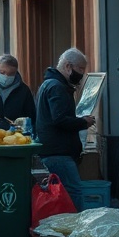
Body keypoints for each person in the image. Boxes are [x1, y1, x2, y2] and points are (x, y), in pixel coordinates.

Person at [34, 48, 96, 211]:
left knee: (61, 191)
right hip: (59, 151)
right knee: (73, 190)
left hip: (53, 149)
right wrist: (83, 122)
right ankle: (74, 227)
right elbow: (60, 119)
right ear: (68, 66)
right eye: (80, 69)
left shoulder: (49, 84)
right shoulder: (57, 87)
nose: (82, 73)